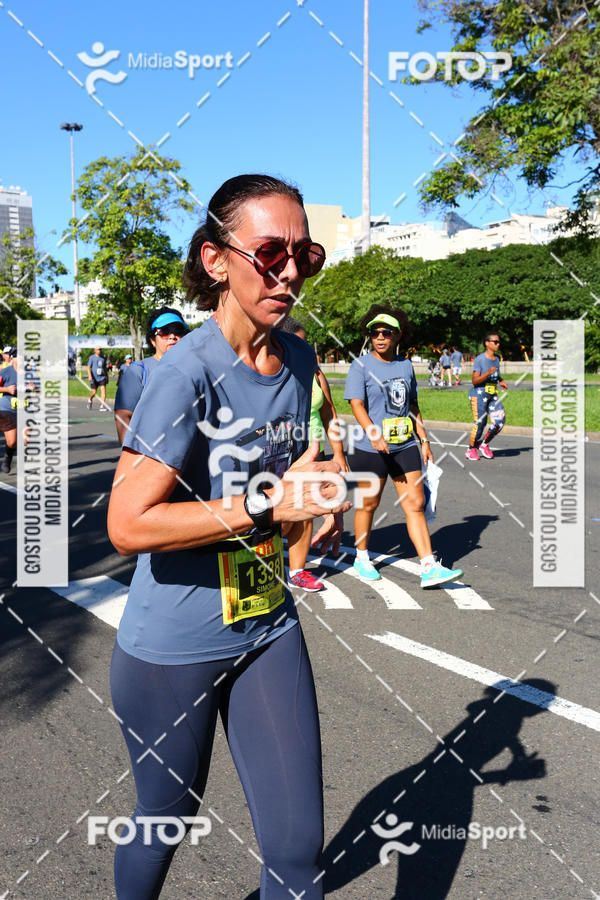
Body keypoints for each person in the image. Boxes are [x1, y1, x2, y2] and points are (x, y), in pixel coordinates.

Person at [107, 173, 349, 900]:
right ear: (217, 260)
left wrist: (316, 492)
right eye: (269, 252)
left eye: (305, 255)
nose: (289, 272)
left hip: (267, 624)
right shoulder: (184, 374)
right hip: (172, 647)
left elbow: (284, 467)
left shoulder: (300, 359)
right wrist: (269, 503)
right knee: (166, 817)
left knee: (298, 850)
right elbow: (127, 524)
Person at [344, 305, 463, 588]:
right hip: (370, 447)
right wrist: (373, 433)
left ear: (398, 335)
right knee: (369, 504)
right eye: (375, 332)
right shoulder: (361, 365)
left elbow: (412, 405)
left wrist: (424, 440)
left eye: (386, 332)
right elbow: (356, 404)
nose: (380, 337)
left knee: (415, 503)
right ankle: (362, 557)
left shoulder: (405, 366)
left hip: (404, 444)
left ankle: (429, 566)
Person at [280, 316, 349, 591]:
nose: (304, 350)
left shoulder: (315, 372)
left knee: (307, 509)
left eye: (306, 344)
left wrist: (339, 454)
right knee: (282, 515)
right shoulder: (274, 371)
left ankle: (297, 570)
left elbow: (329, 412)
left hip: (314, 450)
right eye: (298, 343)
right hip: (284, 453)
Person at [113, 309, 188, 444]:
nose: (172, 336)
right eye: (164, 331)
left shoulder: (197, 369)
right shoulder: (138, 370)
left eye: (178, 330)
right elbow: (123, 416)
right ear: (153, 340)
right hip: (152, 453)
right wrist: (132, 454)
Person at [466, 331, 508, 461]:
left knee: (500, 421)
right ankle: (471, 449)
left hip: (492, 394)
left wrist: (500, 380)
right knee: (480, 423)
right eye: (495, 342)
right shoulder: (480, 359)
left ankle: (483, 444)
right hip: (478, 395)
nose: (498, 344)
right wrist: (487, 373)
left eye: (499, 342)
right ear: (487, 343)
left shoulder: (497, 358)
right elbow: (475, 381)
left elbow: (496, 374)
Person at [0, 346, 18, 473]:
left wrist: (34, 388)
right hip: (6, 408)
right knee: (12, 442)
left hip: (25, 409)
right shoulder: (4, 370)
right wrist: (7, 389)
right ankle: (8, 458)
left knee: (26, 439)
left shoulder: (30, 372)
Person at [87, 346, 109, 412]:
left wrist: (107, 376)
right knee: (94, 392)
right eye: (98, 349)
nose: (99, 351)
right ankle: (90, 399)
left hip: (102, 377)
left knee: (103, 390)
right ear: (95, 350)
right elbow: (88, 367)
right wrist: (90, 376)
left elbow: (105, 368)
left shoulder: (103, 358)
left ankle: (102, 406)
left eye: (100, 349)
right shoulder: (92, 357)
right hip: (94, 377)